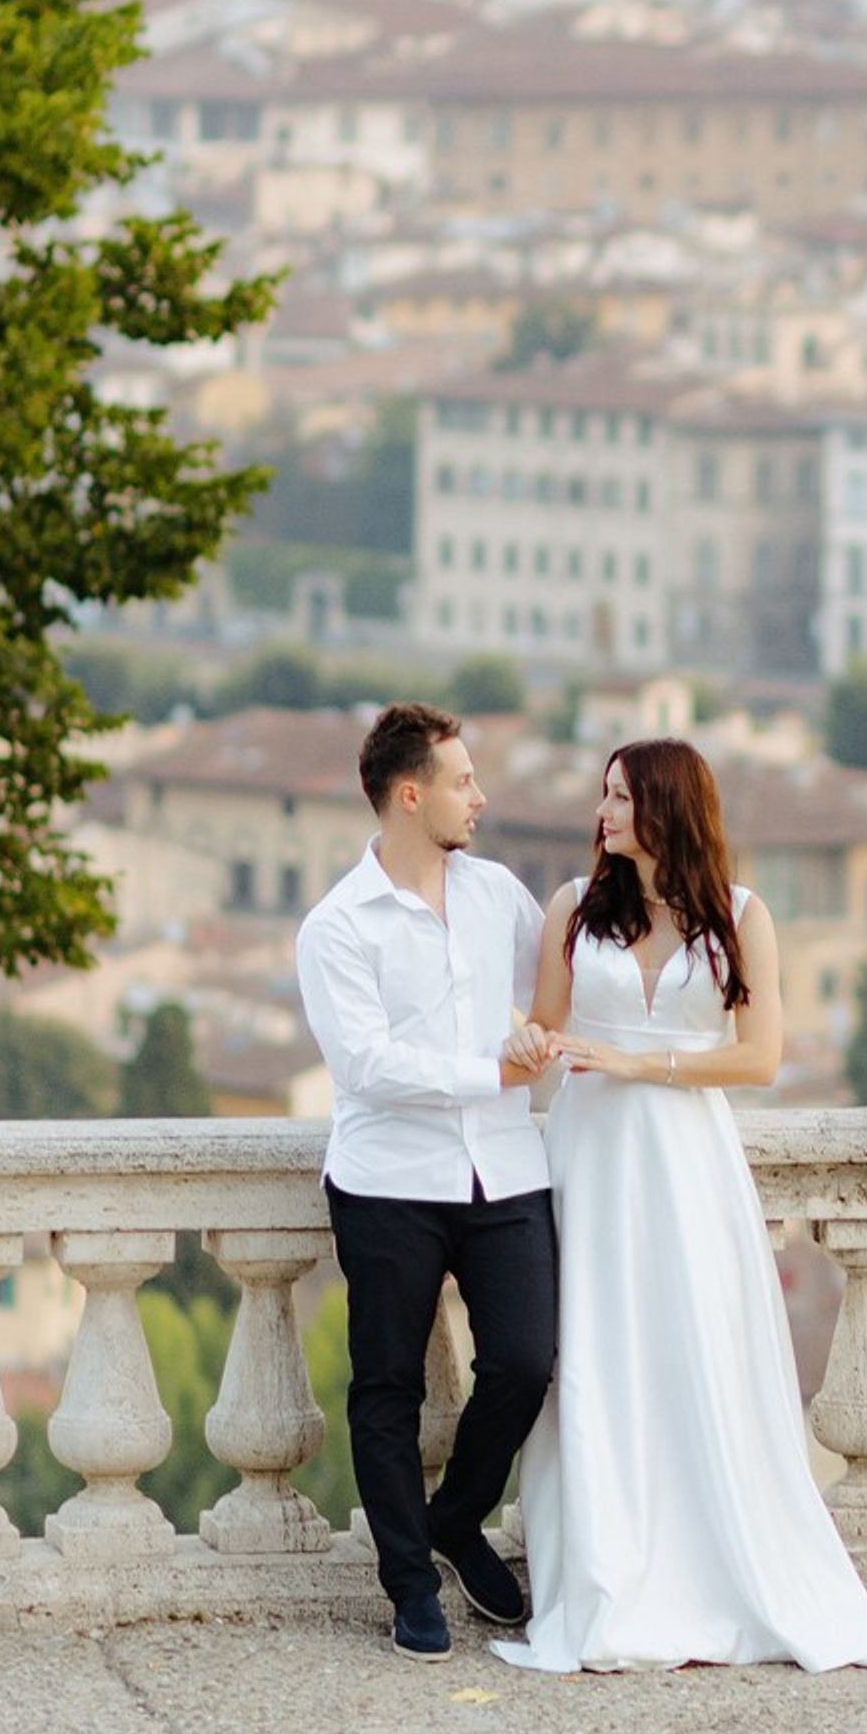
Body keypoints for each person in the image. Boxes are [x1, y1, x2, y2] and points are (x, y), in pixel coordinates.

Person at [492, 737, 867, 1679]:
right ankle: (607, 1574)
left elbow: (758, 1056)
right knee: (596, 1355)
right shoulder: (571, 907)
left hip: (687, 1162)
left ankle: (711, 1568)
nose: (601, 814)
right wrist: (523, 1049)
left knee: (695, 1353)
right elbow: (547, 1030)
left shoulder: (740, 916)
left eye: (618, 797)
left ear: (665, 807)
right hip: (592, 1158)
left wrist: (643, 1062)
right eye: (600, 796)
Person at [295, 702, 556, 1663]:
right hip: (388, 1182)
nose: (479, 798)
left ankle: (456, 1519)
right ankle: (409, 1584)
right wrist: (494, 1070)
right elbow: (366, 1066)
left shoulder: (499, 898)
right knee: (387, 1388)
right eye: (462, 782)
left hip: (505, 1171)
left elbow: (557, 990)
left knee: (527, 1360)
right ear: (412, 795)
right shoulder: (336, 928)